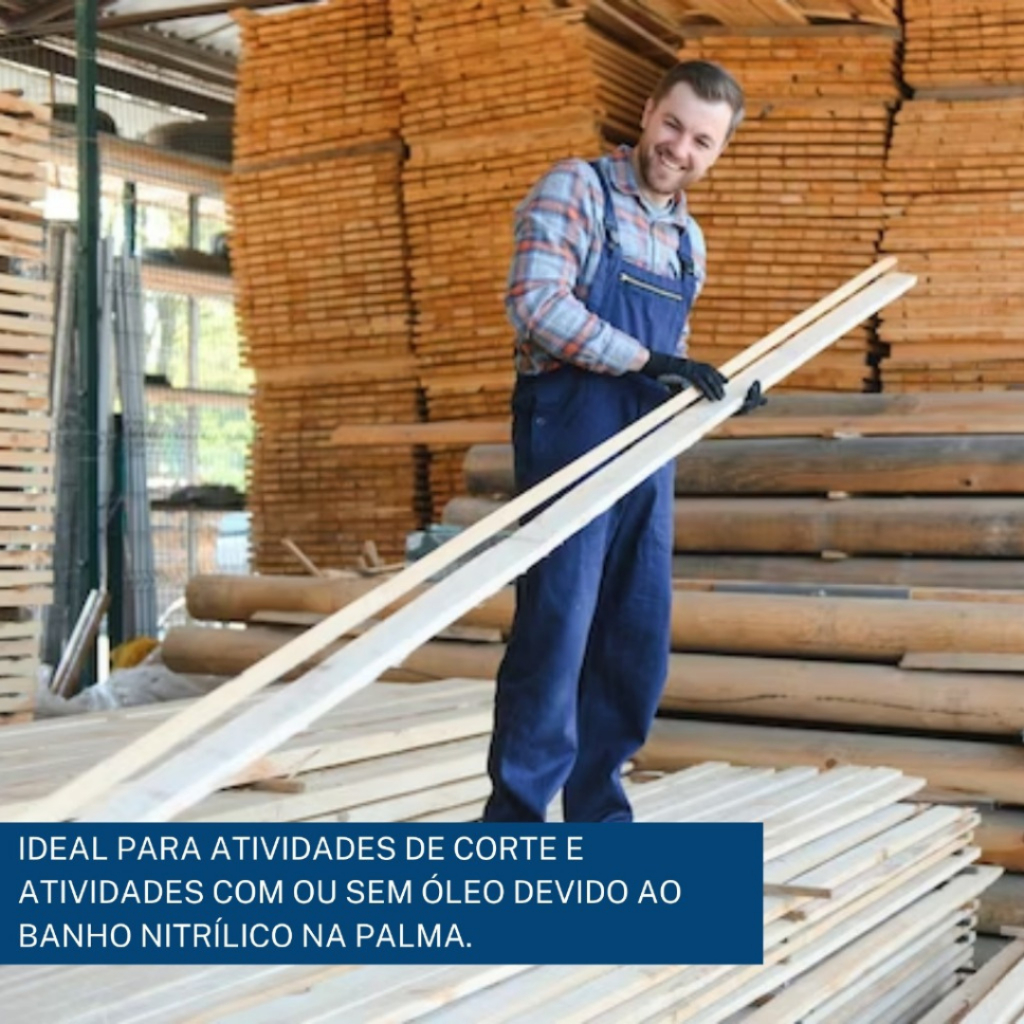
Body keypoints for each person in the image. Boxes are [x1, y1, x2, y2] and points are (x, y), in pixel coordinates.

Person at [483, 60, 757, 823]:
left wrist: (714, 395)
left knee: (634, 636)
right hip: (571, 434)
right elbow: (536, 306)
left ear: (718, 152)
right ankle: (515, 829)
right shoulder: (578, 190)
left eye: (702, 141)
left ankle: (600, 822)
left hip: (647, 447)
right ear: (646, 113)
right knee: (558, 629)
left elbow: (674, 357)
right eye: (673, 125)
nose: (680, 149)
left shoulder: (688, 241)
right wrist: (649, 362)